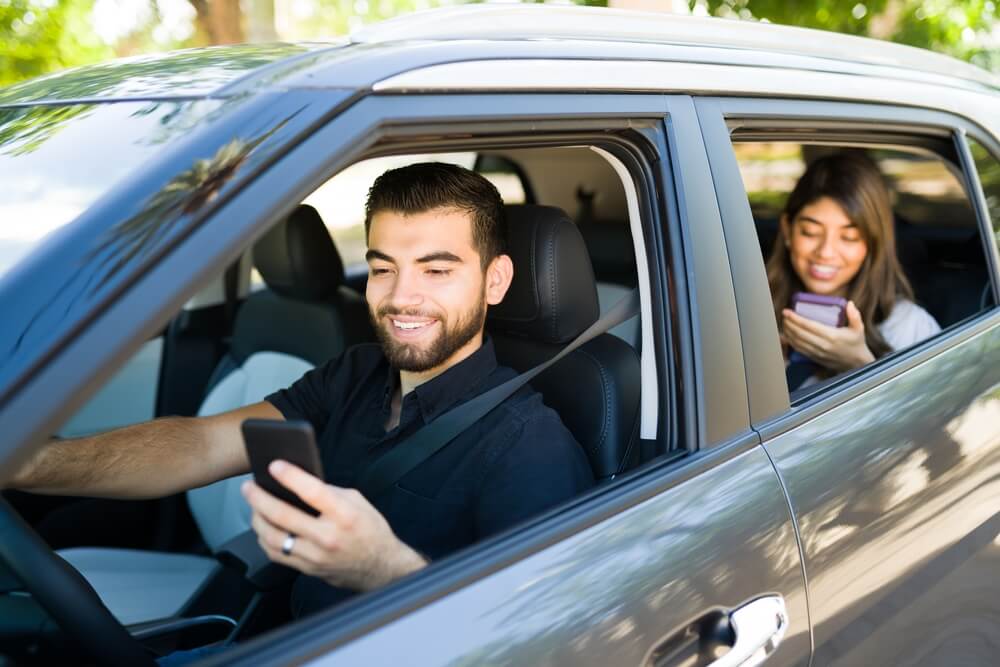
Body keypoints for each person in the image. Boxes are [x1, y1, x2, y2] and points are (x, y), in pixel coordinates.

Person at [9, 162, 594, 619]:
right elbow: (203, 446)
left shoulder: (529, 446)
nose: (401, 297)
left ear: (495, 281)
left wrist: (383, 570)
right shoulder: (355, 374)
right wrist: (30, 463)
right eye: (384, 267)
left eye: (437, 270)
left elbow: (539, 634)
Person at [767, 151, 940, 390]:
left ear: (872, 243)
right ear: (787, 231)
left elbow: (930, 422)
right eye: (810, 232)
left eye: (849, 237)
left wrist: (858, 364)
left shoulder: (908, 326)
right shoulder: (748, 315)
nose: (826, 252)